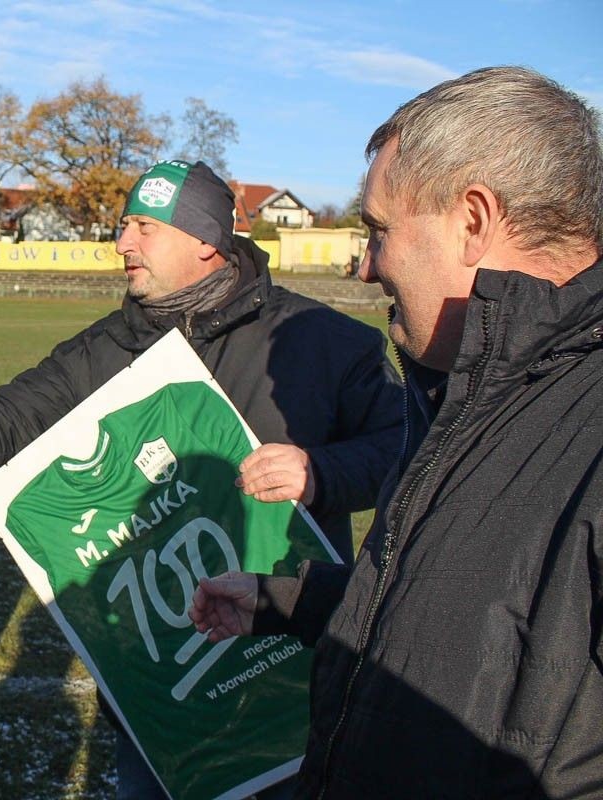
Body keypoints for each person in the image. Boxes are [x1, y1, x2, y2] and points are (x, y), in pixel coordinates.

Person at [0, 159, 403, 798]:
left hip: (287, 671)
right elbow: (13, 416)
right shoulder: (106, 349)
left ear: (205, 241)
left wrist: (321, 471)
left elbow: (407, 448)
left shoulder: (322, 341)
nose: (122, 243)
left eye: (144, 226)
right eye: (122, 225)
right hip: (160, 694)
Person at [189, 66, 603, 798]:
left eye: (380, 230)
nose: (368, 265)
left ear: (473, 220)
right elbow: (474, 610)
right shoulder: (459, 386)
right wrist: (289, 600)